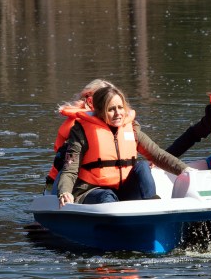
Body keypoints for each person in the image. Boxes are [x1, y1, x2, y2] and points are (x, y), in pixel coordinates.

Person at [56, 82, 193, 206]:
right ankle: (116, 228)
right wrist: (65, 192)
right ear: (99, 111)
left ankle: (152, 208)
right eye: (111, 109)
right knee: (106, 196)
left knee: (143, 166)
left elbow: (158, 155)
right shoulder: (81, 131)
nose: (118, 114)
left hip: (124, 191)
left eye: (120, 108)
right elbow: (69, 169)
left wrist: (186, 170)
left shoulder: (132, 129)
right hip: (92, 191)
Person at [46, 79, 110, 191]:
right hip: (62, 179)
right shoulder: (77, 125)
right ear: (90, 101)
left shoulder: (110, 121)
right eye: (105, 100)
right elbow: (68, 163)